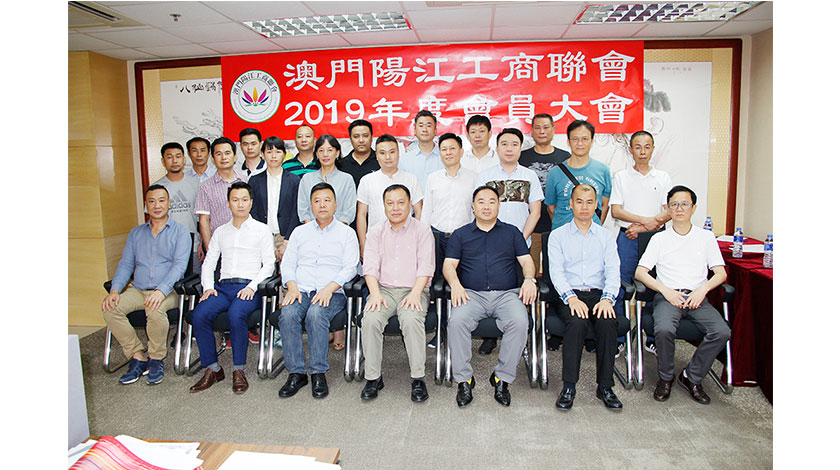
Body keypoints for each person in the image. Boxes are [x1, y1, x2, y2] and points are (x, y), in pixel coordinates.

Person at [635, 185, 730, 405]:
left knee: (722, 332)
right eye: (674, 204)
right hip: (668, 297)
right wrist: (666, 291)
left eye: (684, 204)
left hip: (698, 297)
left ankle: (691, 376)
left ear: (693, 208)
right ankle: (666, 377)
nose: (679, 209)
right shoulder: (659, 239)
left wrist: (702, 290)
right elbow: (640, 272)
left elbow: (721, 273)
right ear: (668, 209)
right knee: (664, 329)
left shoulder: (706, 237)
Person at [444, 185, 537, 407]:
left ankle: (502, 378)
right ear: (473, 206)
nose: (486, 206)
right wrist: (455, 284)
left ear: (498, 206)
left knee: (520, 321)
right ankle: (464, 380)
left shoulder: (512, 232)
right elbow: (449, 265)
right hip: (471, 295)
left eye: (492, 202)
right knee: (456, 322)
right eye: (481, 202)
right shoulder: (460, 234)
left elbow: (526, 261)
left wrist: (528, 279)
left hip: (506, 295)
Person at [189, 182, 275, 394]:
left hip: (248, 287)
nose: (240, 204)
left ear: (251, 202)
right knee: (199, 315)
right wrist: (208, 287)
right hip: (223, 288)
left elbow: (269, 265)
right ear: (228, 203)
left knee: (236, 315)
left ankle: (238, 370)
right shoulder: (220, 231)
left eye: (244, 200)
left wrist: (252, 287)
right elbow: (209, 263)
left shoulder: (262, 230)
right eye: (235, 200)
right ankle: (213, 369)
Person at [277, 182, 359, 399]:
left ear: (335, 204)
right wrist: (291, 286)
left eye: (327, 200)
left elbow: (350, 268)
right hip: (301, 289)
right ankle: (296, 372)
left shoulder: (347, 233)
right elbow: (288, 264)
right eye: (317, 201)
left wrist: (329, 289)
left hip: (332, 292)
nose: (322, 205)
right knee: (288, 315)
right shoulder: (299, 232)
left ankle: (318, 372)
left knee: (316, 314)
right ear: (311, 206)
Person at [102, 185, 191, 385]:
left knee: (154, 308)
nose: (157, 205)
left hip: (169, 291)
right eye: (151, 201)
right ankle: (137, 355)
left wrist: (161, 291)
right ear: (146, 205)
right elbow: (126, 264)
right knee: (110, 307)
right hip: (138, 289)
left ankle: (156, 358)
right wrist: (115, 290)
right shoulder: (136, 233)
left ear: (169, 203)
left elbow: (179, 267)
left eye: (161, 200)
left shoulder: (180, 232)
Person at [549, 184, 624, 411]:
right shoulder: (557, 236)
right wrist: (571, 298)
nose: (584, 207)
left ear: (596, 205)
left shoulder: (606, 237)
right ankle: (569, 386)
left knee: (608, 322)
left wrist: (607, 299)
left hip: (598, 294)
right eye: (579, 201)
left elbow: (613, 271)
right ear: (571, 204)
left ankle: (605, 387)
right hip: (569, 295)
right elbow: (556, 273)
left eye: (590, 202)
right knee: (577, 322)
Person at [360, 184, 436, 402]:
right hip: (383, 290)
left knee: (411, 320)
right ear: (383, 206)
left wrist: (415, 293)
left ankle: (418, 378)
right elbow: (370, 268)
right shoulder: (375, 232)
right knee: (370, 320)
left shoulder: (422, 230)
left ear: (410, 205)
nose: (396, 208)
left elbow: (426, 267)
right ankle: (373, 377)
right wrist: (375, 294)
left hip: (414, 289)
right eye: (390, 203)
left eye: (401, 203)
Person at [474, 128, 543, 355]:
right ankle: (490, 338)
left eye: (514, 144)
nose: (509, 148)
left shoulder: (530, 176)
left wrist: (519, 239)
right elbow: (480, 210)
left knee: (522, 291)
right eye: (504, 144)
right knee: (491, 290)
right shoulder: (485, 176)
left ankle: (521, 339)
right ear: (497, 148)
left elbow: (535, 211)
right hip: (490, 245)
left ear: (521, 148)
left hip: (521, 244)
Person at [610, 130, 672, 355]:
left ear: (653, 149)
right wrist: (645, 222)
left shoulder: (663, 177)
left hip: (656, 239)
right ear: (631, 150)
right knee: (619, 286)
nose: (642, 151)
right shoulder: (621, 177)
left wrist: (645, 227)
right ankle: (618, 337)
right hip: (627, 237)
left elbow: (669, 210)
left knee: (655, 287)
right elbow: (616, 211)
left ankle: (652, 337)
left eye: (647, 147)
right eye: (637, 147)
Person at [356, 134, 423, 259]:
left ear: (398, 153)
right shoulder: (367, 180)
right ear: (376, 156)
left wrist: (417, 238)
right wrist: (363, 244)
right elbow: (361, 214)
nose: (387, 157)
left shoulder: (411, 179)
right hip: (376, 242)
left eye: (392, 152)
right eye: (382, 153)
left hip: (406, 241)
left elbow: (419, 211)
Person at [519, 113, 571, 266]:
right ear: (532, 131)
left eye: (546, 127)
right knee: (530, 269)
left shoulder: (565, 157)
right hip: (530, 226)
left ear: (553, 130)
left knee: (556, 269)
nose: (542, 131)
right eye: (537, 127)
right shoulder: (521, 157)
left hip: (558, 225)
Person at [420, 132, 476, 274]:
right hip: (437, 237)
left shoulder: (473, 178)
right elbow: (427, 209)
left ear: (461, 152)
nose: (448, 153)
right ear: (440, 153)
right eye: (444, 149)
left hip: (464, 237)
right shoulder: (433, 178)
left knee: (463, 277)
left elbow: (476, 210)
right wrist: (424, 237)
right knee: (436, 277)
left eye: (452, 148)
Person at [545, 120, 611, 230]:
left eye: (585, 139)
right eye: (575, 139)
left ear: (592, 141)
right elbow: (551, 207)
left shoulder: (603, 170)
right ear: (568, 141)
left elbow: (604, 205)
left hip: (593, 234)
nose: (580, 143)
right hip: (562, 234)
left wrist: (596, 226)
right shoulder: (555, 173)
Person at [195, 137, 248, 254]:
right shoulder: (205, 187)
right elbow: (204, 221)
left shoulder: (246, 181)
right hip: (219, 246)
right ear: (213, 159)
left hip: (246, 244)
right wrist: (210, 250)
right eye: (219, 154)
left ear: (235, 156)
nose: (223, 157)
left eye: (227, 153)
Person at [153, 142, 200, 272]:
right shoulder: (157, 188)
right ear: (163, 161)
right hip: (166, 249)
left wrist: (201, 243)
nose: (174, 161)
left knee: (193, 282)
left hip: (193, 246)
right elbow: (153, 221)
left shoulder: (196, 184)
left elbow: (202, 218)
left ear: (184, 159)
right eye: (169, 157)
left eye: (178, 156)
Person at [248, 136, 302, 242]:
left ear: (284, 154)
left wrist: (287, 240)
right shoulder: (254, 181)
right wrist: (260, 235)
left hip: (287, 237)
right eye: (269, 152)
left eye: (278, 152)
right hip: (261, 237)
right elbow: (252, 210)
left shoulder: (294, 180)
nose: (273, 156)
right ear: (262, 154)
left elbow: (296, 212)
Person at [298, 134, 357, 226]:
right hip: (311, 230)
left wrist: (333, 230)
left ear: (337, 153)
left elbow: (349, 211)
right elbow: (303, 209)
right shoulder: (307, 179)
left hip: (339, 230)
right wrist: (313, 230)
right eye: (321, 150)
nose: (325, 154)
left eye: (330, 150)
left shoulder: (347, 179)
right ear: (316, 154)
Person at [398, 110, 443, 190]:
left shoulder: (445, 157)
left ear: (435, 130)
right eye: (421, 126)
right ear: (415, 130)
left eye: (428, 126)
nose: (424, 129)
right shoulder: (404, 160)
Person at [336, 119, 380, 188]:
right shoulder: (341, 165)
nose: (361, 140)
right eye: (356, 136)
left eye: (365, 136)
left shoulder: (381, 162)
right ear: (350, 139)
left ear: (371, 138)